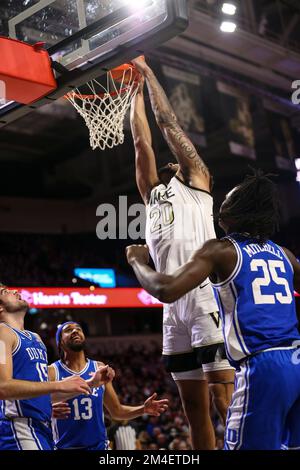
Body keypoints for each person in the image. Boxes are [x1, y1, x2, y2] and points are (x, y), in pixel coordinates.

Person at [126, 171, 300, 450]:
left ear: (240, 209)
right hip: (295, 359)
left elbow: (166, 289)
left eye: (229, 198)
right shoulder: (285, 254)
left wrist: (137, 262)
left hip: (262, 367)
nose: (223, 202)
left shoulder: (222, 250)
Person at [130, 56, 234, 449]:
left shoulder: (198, 182)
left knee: (225, 402)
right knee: (194, 410)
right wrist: (130, 90)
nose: (172, 158)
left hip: (204, 296)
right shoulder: (152, 193)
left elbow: (167, 125)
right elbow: (142, 139)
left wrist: (147, 73)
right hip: (173, 311)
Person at [0, 285, 102, 450]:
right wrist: (58, 384)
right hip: (18, 428)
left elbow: (38, 392)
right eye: (5, 292)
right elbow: (2, 387)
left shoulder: (36, 339)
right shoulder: (2, 332)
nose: (15, 291)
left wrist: (90, 383)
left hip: (42, 428)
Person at [50, 322, 169, 450]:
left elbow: (116, 411)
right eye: (68, 330)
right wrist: (48, 410)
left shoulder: (98, 368)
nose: (75, 331)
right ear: (60, 342)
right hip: (65, 447)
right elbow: (34, 406)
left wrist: (143, 409)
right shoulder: (52, 372)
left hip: (99, 447)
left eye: (78, 329)